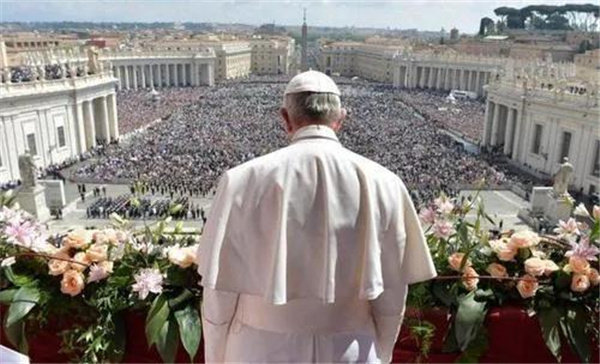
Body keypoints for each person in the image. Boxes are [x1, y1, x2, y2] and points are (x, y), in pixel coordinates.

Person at [197, 71, 437, 363]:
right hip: (351, 349)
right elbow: (391, 298)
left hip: (257, 348)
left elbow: (219, 294)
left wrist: (216, 355)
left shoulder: (241, 180)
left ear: (285, 118)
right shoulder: (385, 182)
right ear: (341, 119)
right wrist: (381, 351)